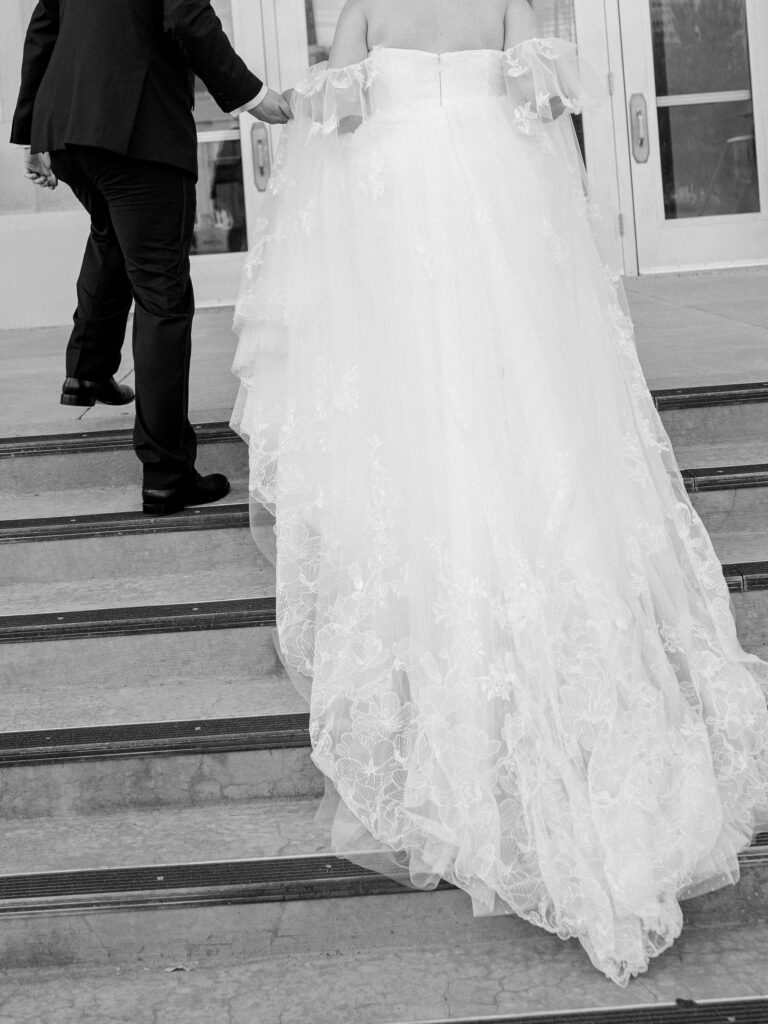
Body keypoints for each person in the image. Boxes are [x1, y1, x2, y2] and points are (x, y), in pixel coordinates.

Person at [231, 0, 768, 985]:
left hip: (410, 252)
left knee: (431, 421)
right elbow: (541, 110)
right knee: (527, 416)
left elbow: (339, 129)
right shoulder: (507, 2)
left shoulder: (363, 10)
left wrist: (344, 117)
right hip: (498, 251)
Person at [11, 0, 292, 515]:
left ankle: (88, 369)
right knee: (163, 297)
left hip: (69, 128)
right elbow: (187, 16)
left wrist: (34, 131)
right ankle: (167, 474)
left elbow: (44, 26)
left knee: (111, 237)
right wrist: (252, 95)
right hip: (137, 131)